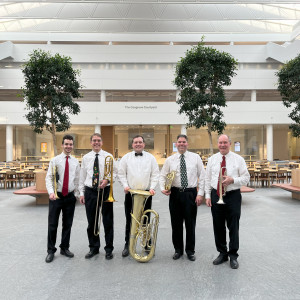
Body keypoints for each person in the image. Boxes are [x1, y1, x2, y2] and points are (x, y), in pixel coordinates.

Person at [205, 134, 250, 269]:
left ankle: (233, 255)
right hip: (216, 194)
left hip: (233, 196)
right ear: (217, 144)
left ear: (229, 144)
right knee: (218, 226)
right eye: (220, 143)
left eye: (225, 142)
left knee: (233, 226)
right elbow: (207, 179)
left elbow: (246, 178)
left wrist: (233, 180)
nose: (222, 145)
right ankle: (222, 253)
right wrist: (207, 195)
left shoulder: (238, 159)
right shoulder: (212, 159)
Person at [160, 134, 205, 261]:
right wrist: (162, 188)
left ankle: (190, 251)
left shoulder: (195, 158)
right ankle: (178, 250)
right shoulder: (170, 160)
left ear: (187, 144)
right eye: (179, 142)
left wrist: (200, 193)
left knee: (190, 224)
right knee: (176, 224)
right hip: (175, 194)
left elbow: (202, 176)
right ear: (176, 144)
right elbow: (162, 175)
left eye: (184, 142)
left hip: (190, 193)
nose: (181, 144)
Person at [118, 135, 159, 257]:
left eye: (140, 142)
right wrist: (125, 186)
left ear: (144, 144)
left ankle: (146, 244)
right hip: (131, 193)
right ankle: (128, 244)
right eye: (135, 142)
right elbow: (121, 174)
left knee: (145, 220)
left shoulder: (151, 158)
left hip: (146, 194)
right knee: (129, 221)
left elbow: (155, 174)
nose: (138, 144)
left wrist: (152, 188)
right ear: (132, 145)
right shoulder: (126, 158)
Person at [79, 133, 116, 260]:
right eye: (94, 141)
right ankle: (93, 248)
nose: (96, 143)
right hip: (90, 191)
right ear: (90, 142)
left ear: (102, 142)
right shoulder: (86, 158)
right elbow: (82, 176)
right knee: (92, 222)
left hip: (105, 191)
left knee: (107, 221)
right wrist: (82, 193)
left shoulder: (109, 156)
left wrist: (107, 180)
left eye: (99, 140)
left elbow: (115, 173)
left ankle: (109, 249)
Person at [45, 134, 80, 263]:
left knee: (68, 224)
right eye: (66, 144)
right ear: (62, 145)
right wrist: (50, 192)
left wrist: (77, 194)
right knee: (53, 224)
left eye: (70, 144)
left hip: (70, 196)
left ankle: (64, 248)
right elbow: (48, 177)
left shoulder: (75, 162)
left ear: (72, 146)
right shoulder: (54, 160)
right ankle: (50, 250)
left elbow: (77, 180)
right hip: (56, 196)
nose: (68, 146)